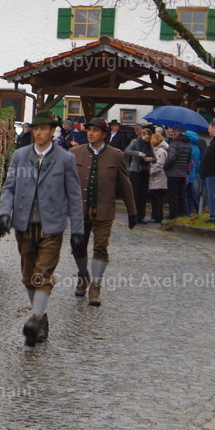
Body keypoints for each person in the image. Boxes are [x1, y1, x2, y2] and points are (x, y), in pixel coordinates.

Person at [0, 110, 84, 346]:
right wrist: (5, 213)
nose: (38, 132)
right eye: (35, 128)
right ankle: (42, 315)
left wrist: (78, 230)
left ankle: (34, 319)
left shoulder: (65, 159)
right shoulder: (20, 155)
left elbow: (74, 197)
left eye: (43, 128)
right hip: (24, 224)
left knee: (42, 274)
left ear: (52, 131)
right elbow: (9, 188)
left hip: (51, 225)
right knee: (28, 276)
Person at [70, 118, 137, 307]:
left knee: (101, 247)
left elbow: (125, 183)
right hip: (79, 210)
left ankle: (95, 287)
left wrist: (132, 211)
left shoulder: (116, 155)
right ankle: (83, 275)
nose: (90, 133)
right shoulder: (75, 153)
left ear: (104, 134)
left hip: (105, 209)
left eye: (95, 131)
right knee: (77, 246)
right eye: (89, 130)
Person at [125, 126, 155, 224]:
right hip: (135, 171)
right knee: (135, 194)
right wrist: (138, 153)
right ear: (142, 135)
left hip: (145, 171)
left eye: (148, 138)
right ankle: (134, 215)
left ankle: (141, 216)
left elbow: (154, 158)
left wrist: (149, 159)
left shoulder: (149, 145)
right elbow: (127, 151)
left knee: (143, 194)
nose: (147, 140)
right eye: (146, 138)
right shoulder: (135, 142)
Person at [164, 125, 191, 219]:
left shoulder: (174, 144)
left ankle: (173, 215)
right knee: (181, 196)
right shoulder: (188, 144)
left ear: (175, 134)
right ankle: (182, 214)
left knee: (173, 196)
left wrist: (165, 166)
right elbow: (188, 159)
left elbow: (171, 157)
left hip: (173, 173)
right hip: (183, 173)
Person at [149, 132, 169, 224]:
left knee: (156, 199)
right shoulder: (159, 150)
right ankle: (156, 216)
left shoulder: (160, 151)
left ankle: (157, 217)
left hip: (158, 178)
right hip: (157, 178)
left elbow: (159, 165)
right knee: (156, 199)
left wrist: (150, 172)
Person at [185, 130, 203, 214]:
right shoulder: (197, 149)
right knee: (192, 193)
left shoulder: (188, 147)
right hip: (194, 173)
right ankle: (198, 209)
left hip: (188, 173)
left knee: (187, 194)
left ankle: (189, 210)